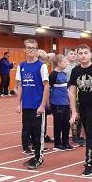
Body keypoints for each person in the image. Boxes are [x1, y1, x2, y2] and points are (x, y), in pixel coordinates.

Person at [68, 44, 92, 176]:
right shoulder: (75, 71)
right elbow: (72, 91)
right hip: (83, 106)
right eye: (80, 53)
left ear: (90, 54)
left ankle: (90, 163)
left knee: (90, 134)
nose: (83, 55)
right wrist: (74, 111)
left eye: (85, 53)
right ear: (77, 55)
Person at [15, 39, 49, 168]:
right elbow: (20, 86)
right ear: (24, 49)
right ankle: (34, 156)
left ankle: (39, 158)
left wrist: (42, 105)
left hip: (37, 106)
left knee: (38, 133)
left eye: (33, 48)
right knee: (28, 130)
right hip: (26, 105)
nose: (31, 50)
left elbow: (46, 86)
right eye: (28, 48)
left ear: (37, 50)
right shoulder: (21, 66)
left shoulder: (41, 66)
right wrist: (18, 104)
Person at [48, 54, 73, 151]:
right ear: (59, 63)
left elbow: (67, 89)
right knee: (58, 123)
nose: (66, 64)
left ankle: (65, 142)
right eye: (64, 62)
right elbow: (48, 89)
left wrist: (70, 101)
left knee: (66, 123)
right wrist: (48, 102)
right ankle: (57, 144)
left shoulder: (64, 74)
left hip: (65, 102)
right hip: (57, 103)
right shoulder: (53, 75)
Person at [64, 48, 85, 146]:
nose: (73, 55)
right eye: (71, 54)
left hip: (78, 92)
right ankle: (74, 136)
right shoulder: (64, 66)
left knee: (80, 114)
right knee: (73, 114)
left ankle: (78, 134)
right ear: (67, 55)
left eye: (74, 54)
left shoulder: (78, 66)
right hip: (68, 92)